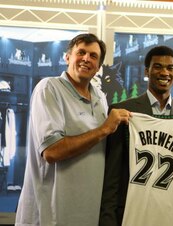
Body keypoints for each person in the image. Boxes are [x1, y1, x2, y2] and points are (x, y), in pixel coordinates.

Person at [15, 33, 131, 226]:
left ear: (99, 66)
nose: (86, 59)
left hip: (86, 214)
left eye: (93, 56)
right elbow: (52, 151)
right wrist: (104, 129)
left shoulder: (100, 98)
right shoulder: (49, 88)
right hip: (49, 216)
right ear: (67, 57)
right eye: (81, 52)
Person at [99, 45, 173, 226]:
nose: (164, 72)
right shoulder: (122, 112)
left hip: (170, 213)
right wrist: (108, 219)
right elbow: (113, 173)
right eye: (157, 66)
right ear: (147, 71)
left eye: (170, 68)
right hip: (130, 212)